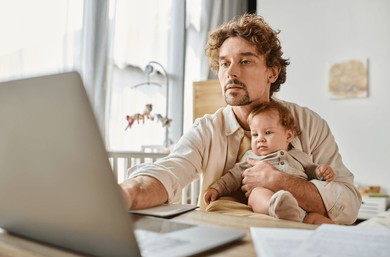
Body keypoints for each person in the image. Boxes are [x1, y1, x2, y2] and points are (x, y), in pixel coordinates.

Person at [120, 13, 361, 225]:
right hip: (223, 239)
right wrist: (122, 195)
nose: (231, 72)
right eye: (224, 63)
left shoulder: (308, 124)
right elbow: (167, 174)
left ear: (272, 72)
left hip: (289, 237)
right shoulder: (207, 129)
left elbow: (348, 206)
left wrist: (278, 180)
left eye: (245, 61)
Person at [204, 100, 335, 223]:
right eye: (255, 134)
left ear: (288, 136)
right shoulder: (251, 158)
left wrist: (320, 172)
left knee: (318, 219)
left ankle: (342, 237)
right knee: (256, 194)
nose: (260, 139)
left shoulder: (298, 155)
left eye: (267, 132)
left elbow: (310, 170)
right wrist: (217, 188)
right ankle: (277, 207)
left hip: (301, 206)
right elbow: (233, 176)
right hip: (270, 202)